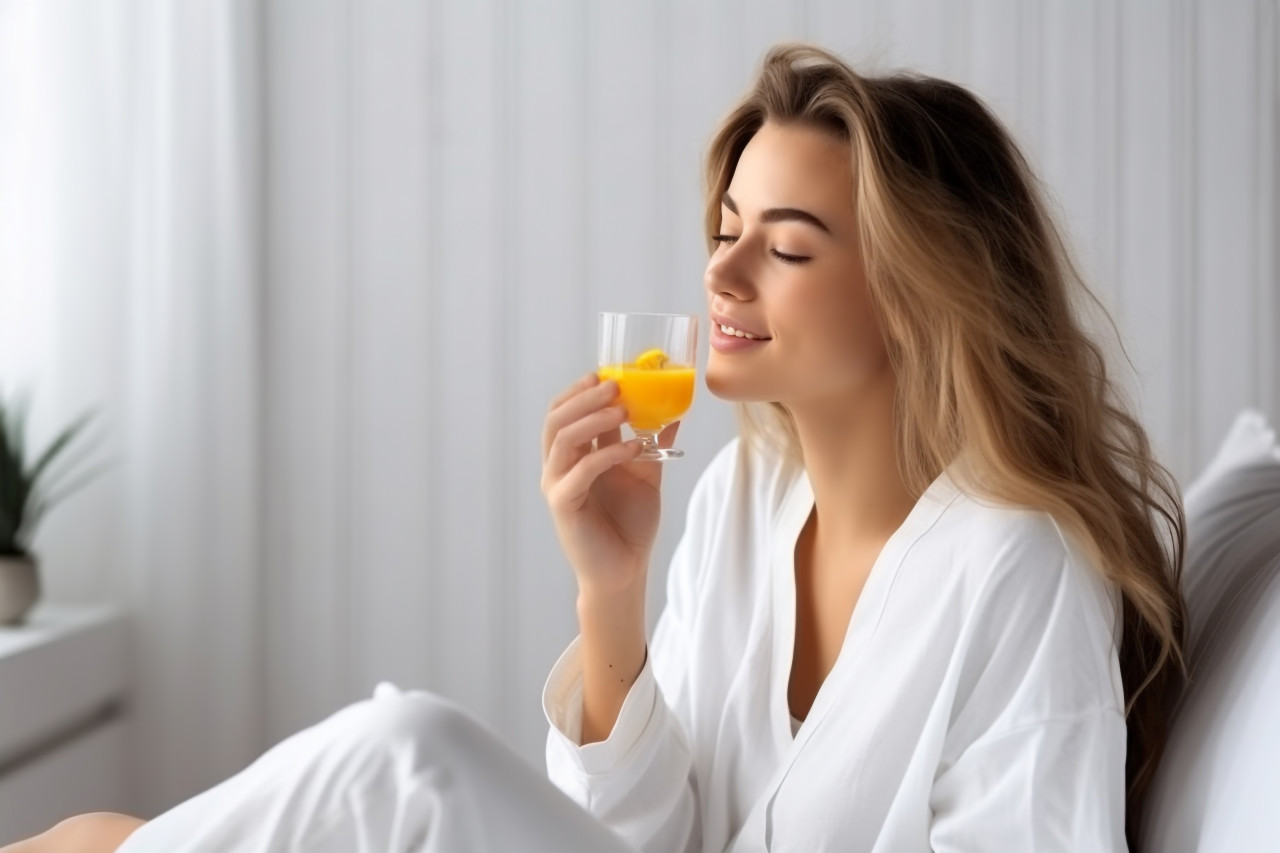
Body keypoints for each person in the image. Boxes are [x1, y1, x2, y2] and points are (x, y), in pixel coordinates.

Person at [3, 42, 1186, 853]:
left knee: (404, 756)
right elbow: (634, 838)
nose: (718, 272)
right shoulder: (742, 498)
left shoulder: (1017, 568)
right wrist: (607, 595)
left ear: (919, 291)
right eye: (725, 230)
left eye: (785, 245)